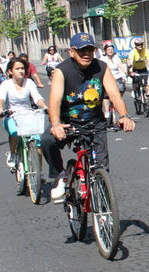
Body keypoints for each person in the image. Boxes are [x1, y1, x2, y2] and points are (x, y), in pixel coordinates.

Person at [44, 32, 135, 204]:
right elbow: (54, 101)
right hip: (68, 123)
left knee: (101, 168)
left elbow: (115, 95)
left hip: (95, 123)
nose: (87, 54)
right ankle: (62, 176)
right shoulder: (61, 71)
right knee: (46, 140)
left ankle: (103, 209)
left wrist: (124, 116)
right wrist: (55, 124)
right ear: (71, 52)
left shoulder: (101, 67)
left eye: (90, 50)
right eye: (82, 51)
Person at [0, 58, 48, 168]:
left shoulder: (29, 83)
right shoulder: (6, 84)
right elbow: (0, 99)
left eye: (22, 68)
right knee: (14, 132)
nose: (21, 71)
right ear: (10, 71)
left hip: (28, 115)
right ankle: (13, 154)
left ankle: (39, 173)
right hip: (12, 115)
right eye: (17, 68)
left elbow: (37, 97)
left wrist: (45, 107)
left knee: (37, 144)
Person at [100, 43, 128, 126]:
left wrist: (126, 72)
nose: (110, 51)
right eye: (108, 50)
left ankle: (116, 103)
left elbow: (120, 66)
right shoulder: (103, 59)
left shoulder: (116, 57)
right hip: (107, 79)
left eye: (112, 49)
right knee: (106, 96)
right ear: (105, 51)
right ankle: (107, 112)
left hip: (117, 78)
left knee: (121, 90)